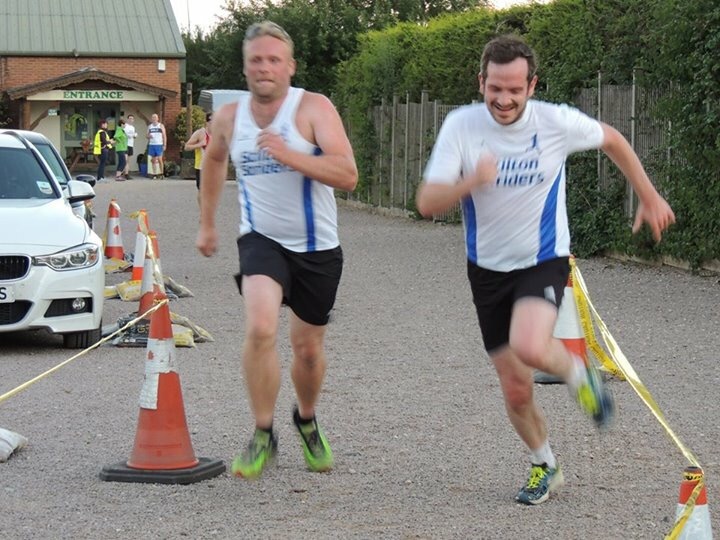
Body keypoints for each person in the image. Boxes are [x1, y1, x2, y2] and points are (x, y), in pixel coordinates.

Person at [416, 34, 675, 506]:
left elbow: (613, 139)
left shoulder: (555, 122)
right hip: (486, 271)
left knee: (531, 344)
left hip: (543, 259)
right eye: (496, 88)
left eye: (515, 89)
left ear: (532, 86)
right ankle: (545, 465)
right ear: (480, 81)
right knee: (516, 390)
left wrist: (649, 194)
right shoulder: (462, 126)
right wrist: (471, 181)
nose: (504, 99)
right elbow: (427, 203)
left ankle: (580, 375)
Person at [195, 20, 358, 479]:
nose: (264, 68)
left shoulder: (313, 108)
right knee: (261, 327)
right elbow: (213, 160)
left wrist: (290, 155)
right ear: (245, 67)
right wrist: (207, 223)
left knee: (307, 350)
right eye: (256, 60)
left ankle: (305, 419)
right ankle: (263, 432)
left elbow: (348, 174)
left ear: (290, 66)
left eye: (273, 60)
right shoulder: (230, 118)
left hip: (317, 246)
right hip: (260, 239)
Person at [183, 112, 212, 206]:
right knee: (202, 190)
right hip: (201, 166)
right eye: (211, 121)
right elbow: (186, 147)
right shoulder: (200, 133)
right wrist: (199, 144)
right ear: (206, 122)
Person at [146, 113, 166, 179]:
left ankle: (162, 173)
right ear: (151, 119)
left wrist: (164, 145)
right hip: (152, 144)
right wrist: (149, 136)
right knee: (153, 160)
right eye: (153, 117)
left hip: (159, 144)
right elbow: (146, 135)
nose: (154, 118)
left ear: (158, 118)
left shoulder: (161, 125)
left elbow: (164, 136)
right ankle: (154, 174)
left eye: (155, 117)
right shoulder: (150, 126)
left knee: (160, 159)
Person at [123, 114, 137, 179]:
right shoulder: (125, 126)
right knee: (125, 160)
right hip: (125, 144)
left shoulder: (133, 127)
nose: (131, 120)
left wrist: (135, 135)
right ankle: (122, 173)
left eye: (132, 119)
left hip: (131, 145)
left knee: (128, 160)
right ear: (127, 119)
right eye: (130, 118)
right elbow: (126, 135)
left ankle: (126, 173)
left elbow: (133, 136)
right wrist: (133, 135)